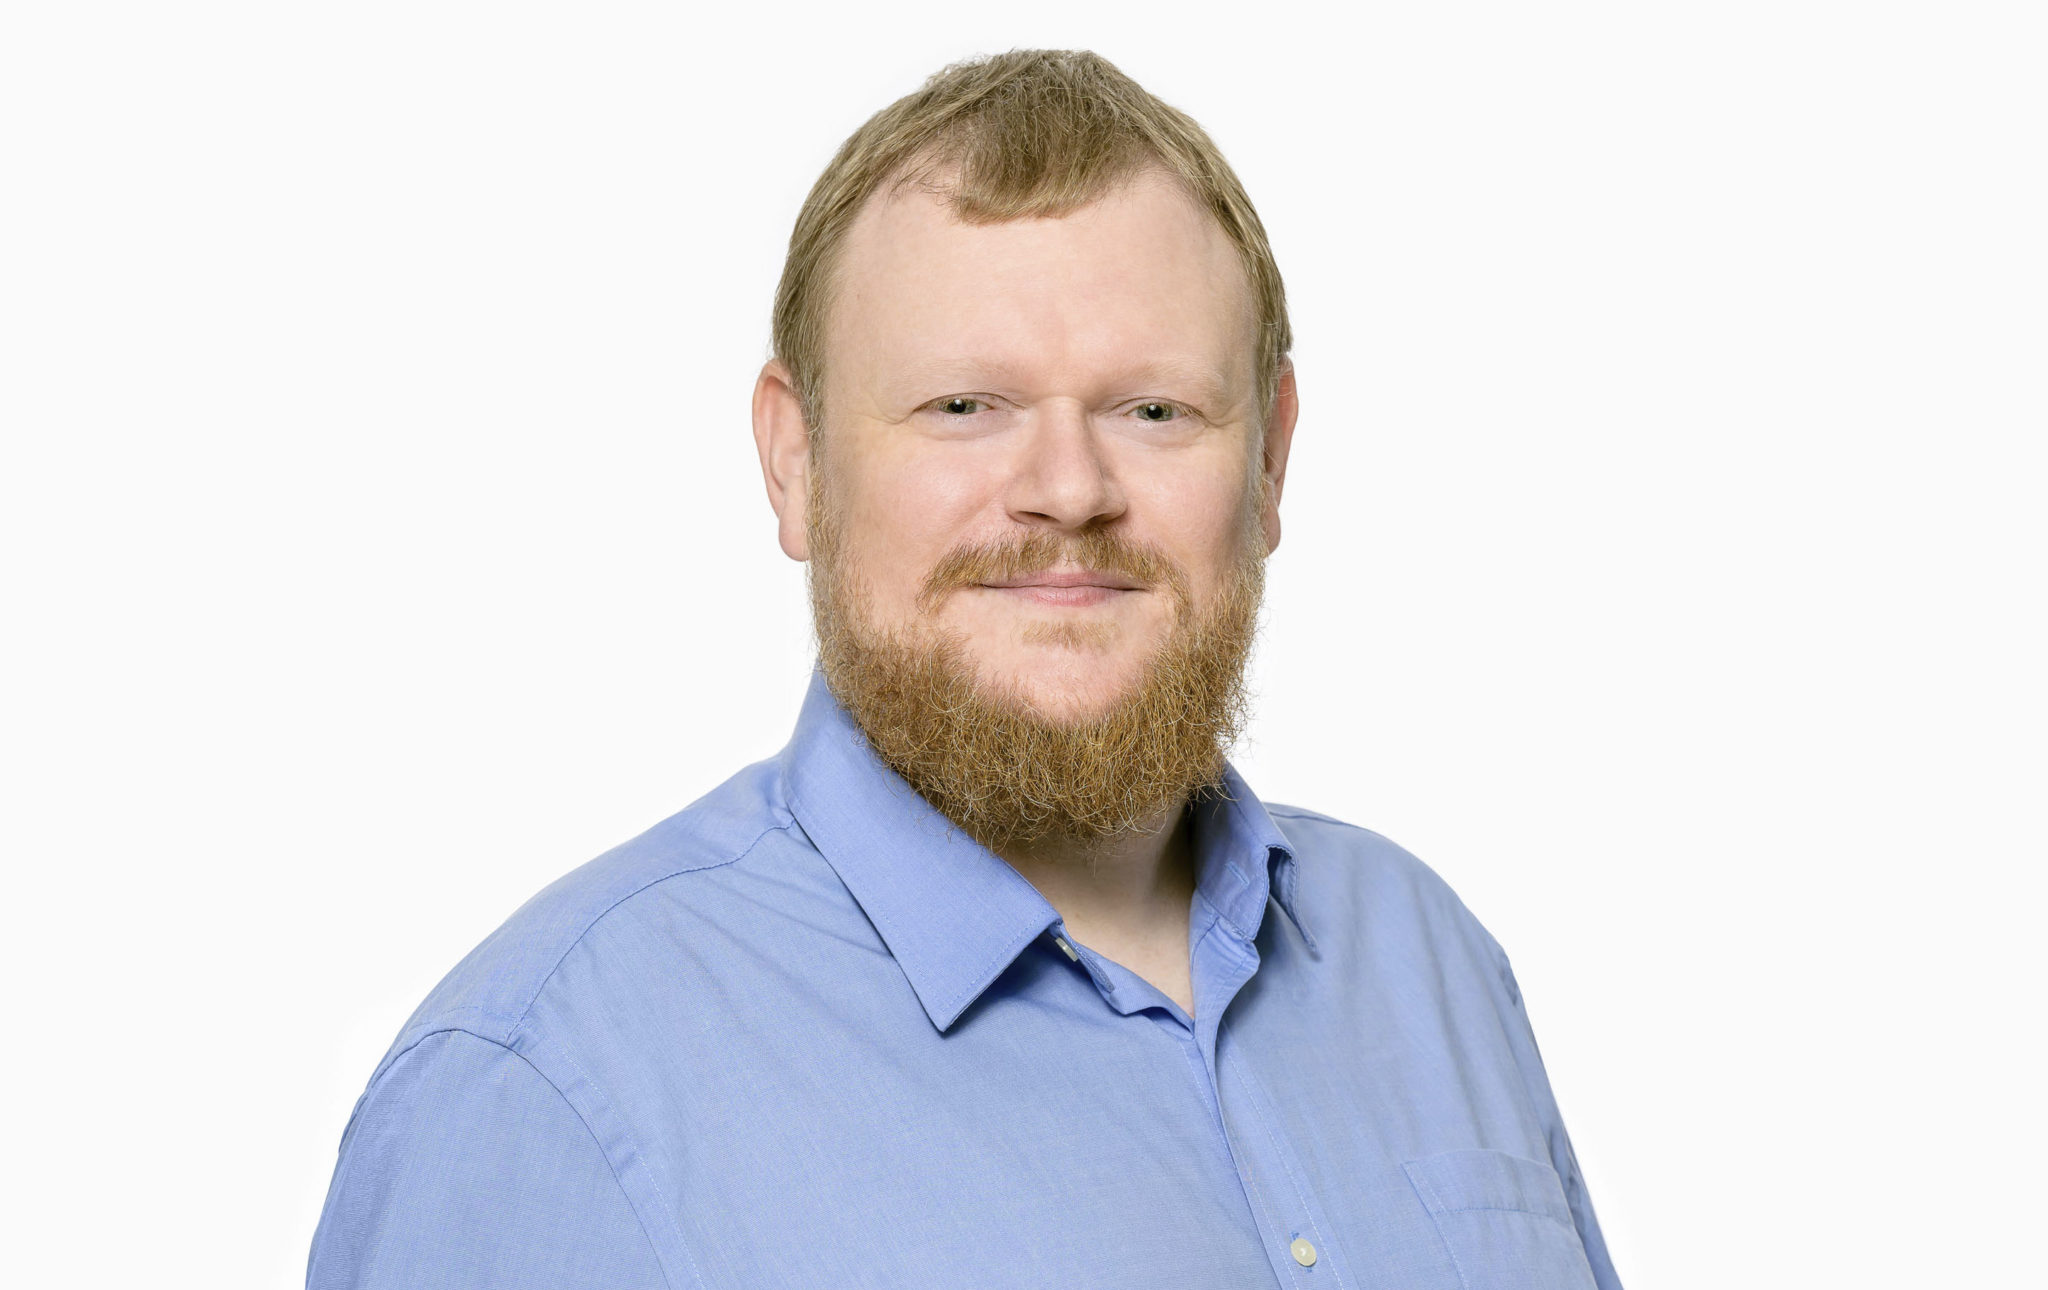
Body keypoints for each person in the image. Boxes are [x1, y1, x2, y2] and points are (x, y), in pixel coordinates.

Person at [307, 49, 1622, 1290]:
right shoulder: (538, 1088)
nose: (1069, 490)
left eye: (1153, 409)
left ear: (1270, 459)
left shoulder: (1427, 961)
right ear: (796, 461)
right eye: (963, 406)